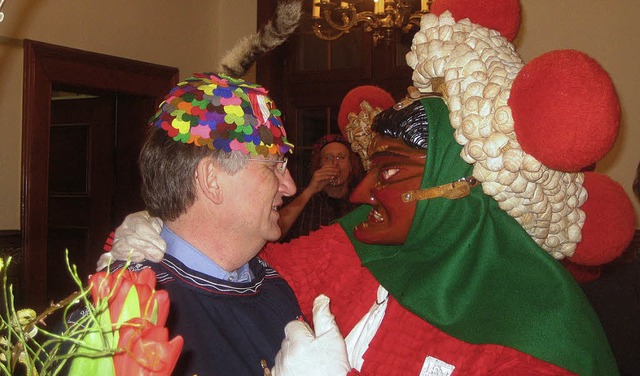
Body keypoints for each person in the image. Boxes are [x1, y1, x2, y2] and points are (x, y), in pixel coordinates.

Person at [103, 0, 635, 374]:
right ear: (209, 179)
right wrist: (151, 243)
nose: (360, 193)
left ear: (456, 185)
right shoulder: (344, 248)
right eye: (272, 167)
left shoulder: (541, 338)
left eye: (388, 171)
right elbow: (223, 271)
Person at [98, 72, 305, 376]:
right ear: (212, 179)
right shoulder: (131, 312)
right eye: (275, 166)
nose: (290, 186)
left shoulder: (273, 285)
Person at [278, 134, 363, 241]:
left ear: (350, 166)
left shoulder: (359, 202)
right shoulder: (300, 198)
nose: (335, 163)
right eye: (328, 158)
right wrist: (310, 190)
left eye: (341, 157)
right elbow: (276, 231)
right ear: (319, 166)